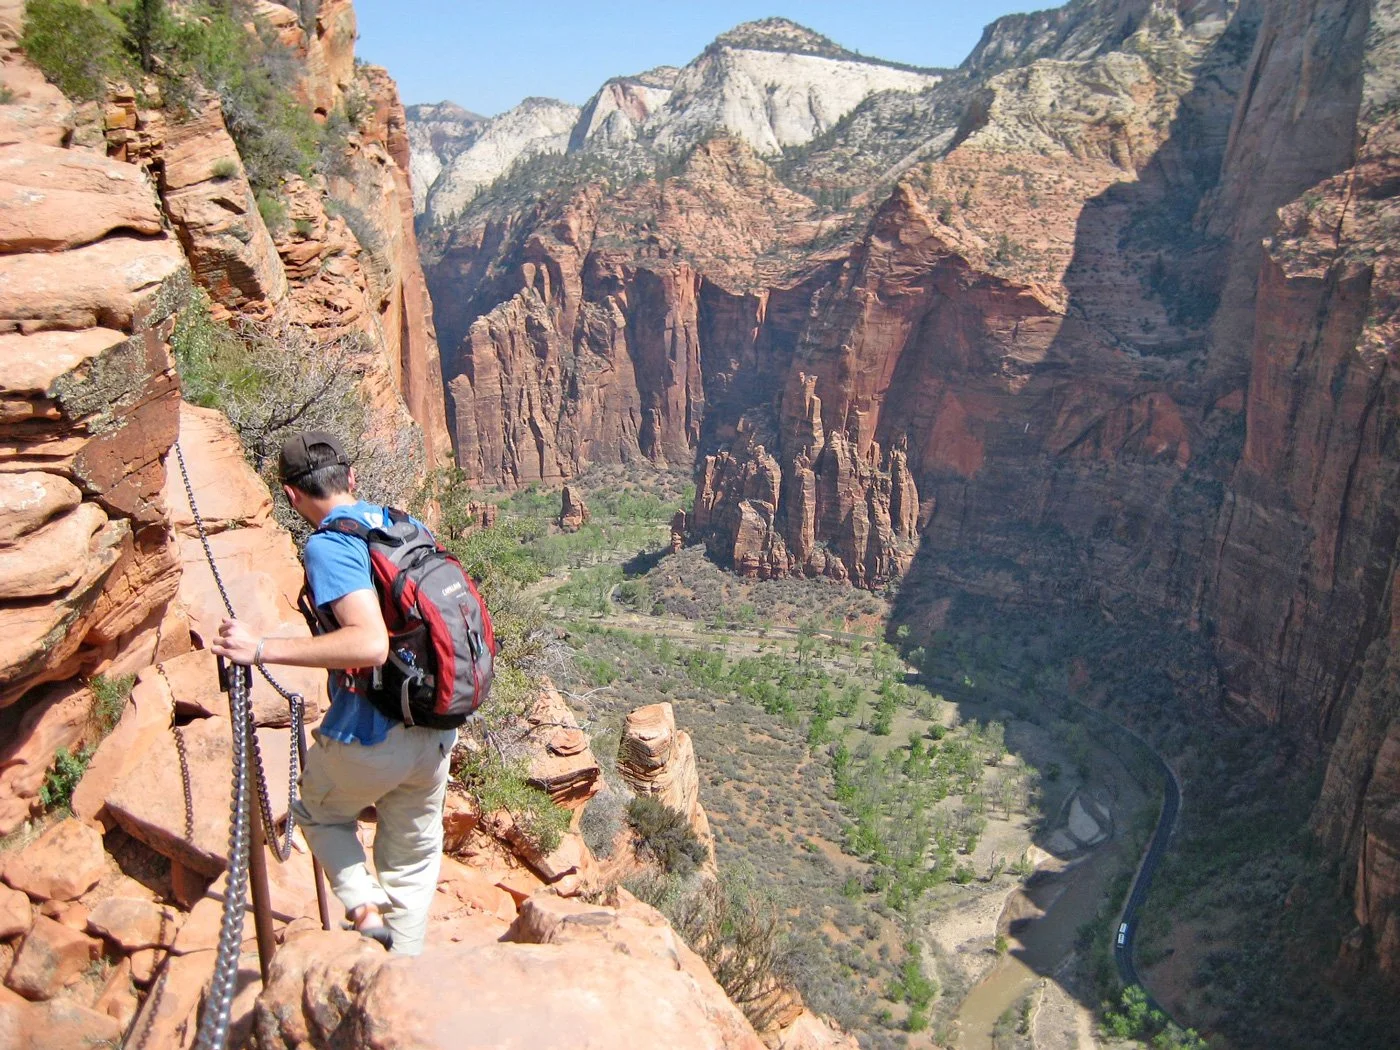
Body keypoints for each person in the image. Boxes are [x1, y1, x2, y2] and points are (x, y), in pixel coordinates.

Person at [209, 431, 455, 956]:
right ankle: (401, 975)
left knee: (317, 812)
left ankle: (365, 918)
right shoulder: (403, 523)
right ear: (352, 479)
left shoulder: (329, 544)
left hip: (372, 732)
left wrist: (260, 650)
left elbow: (367, 643)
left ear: (292, 496)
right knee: (411, 864)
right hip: (436, 728)